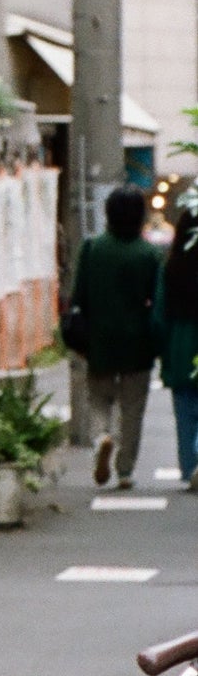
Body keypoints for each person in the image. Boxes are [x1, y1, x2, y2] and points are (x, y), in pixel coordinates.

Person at [68, 183, 161, 489]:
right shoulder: (149, 253)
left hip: (99, 340)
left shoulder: (92, 248)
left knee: (98, 399)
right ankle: (125, 470)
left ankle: (101, 438)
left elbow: (79, 296)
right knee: (132, 409)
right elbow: (157, 302)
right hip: (138, 342)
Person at [154, 195, 198, 489]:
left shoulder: (171, 268)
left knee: (185, 411)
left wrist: (161, 349)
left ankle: (190, 466)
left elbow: (159, 316)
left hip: (181, 344)